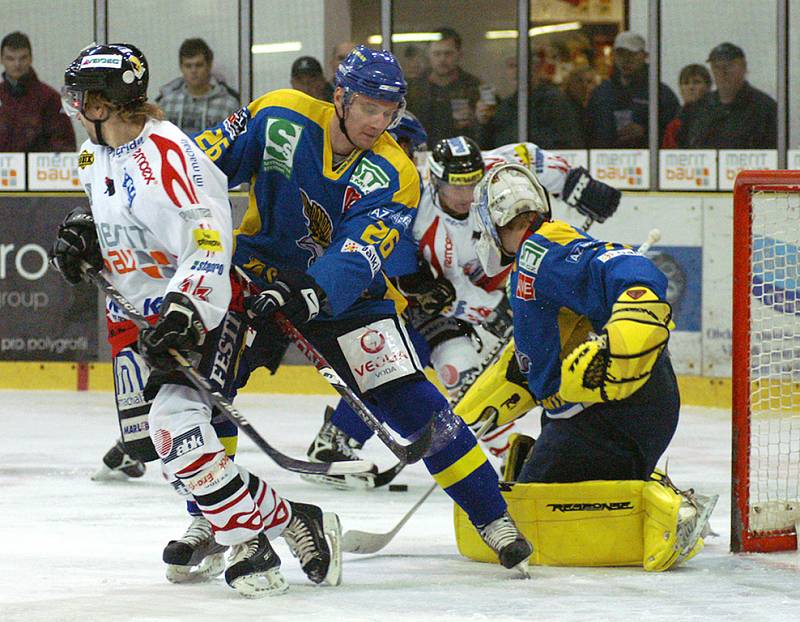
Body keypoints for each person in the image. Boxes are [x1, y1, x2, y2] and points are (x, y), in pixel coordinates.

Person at [193, 44, 533, 575]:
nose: (379, 121)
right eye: (369, 107)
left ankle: (493, 516)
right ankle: (212, 516)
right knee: (208, 392)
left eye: (389, 110)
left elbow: (358, 252)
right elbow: (193, 168)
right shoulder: (277, 114)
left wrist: (310, 290)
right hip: (256, 279)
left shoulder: (397, 172)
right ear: (341, 98)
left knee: (418, 406)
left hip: (349, 302)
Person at [51, 43, 341, 598]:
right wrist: (86, 232)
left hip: (206, 308)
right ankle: (288, 519)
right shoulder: (93, 156)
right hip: (140, 315)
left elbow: (209, 239)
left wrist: (186, 306)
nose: (75, 104)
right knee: (159, 443)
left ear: (112, 101)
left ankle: (251, 540)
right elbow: (114, 212)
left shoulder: (170, 157)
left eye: (85, 95)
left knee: (175, 425)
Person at [304, 135, 620, 488]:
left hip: (508, 284)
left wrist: (578, 185)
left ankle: (520, 453)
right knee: (429, 368)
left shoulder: (495, 168)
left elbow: (531, 156)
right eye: (457, 185)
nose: (468, 192)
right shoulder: (418, 212)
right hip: (444, 301)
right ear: (435, 181)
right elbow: (420, 281)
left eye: (472, 181)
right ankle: (338, 438)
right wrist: (478, 306)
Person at [452, 162, 714, 570]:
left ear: (492, 221)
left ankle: (667, 511)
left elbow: (633, 269)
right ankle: (651, 499)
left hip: (616, 410)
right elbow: (531, 357)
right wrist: (468, 417)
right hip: (611, 410)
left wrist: (633, 320)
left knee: (532, 515)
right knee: (536, 490)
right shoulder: (541, 251)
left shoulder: (541, 254)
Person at [586, 31, 679, 148]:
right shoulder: (600, 93)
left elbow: (675, 134)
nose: (626, 59)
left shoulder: (660, 94)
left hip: (648, 162)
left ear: (645, 56)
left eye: (632, 54)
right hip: (603, 163)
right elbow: (588, 131)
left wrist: (646, 132)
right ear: (614, 56)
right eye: (621, 54)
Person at [676, 43, 776, 149]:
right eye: (716, 67)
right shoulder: (699, 108)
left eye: (729, 66)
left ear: (744, 67)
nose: (722, 72)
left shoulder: (764, 108)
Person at [475, 55, 583, 149]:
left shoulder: (554, 101)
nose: (516, 71)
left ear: (535, 68)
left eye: (521, 65)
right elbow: (489, 146)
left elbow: (569, 142)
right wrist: (484, 123)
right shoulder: (505, 106)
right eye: (512, 66)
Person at [0, 31, 75, 152]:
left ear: (30, 58)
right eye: (10, 59)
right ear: (2, 59)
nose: (17, 64)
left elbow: (64, 145)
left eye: (23, 58)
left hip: (39, 169)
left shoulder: (50, 98)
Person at [406, 27, 481, 146]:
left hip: (462, 153)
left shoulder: (474, 88)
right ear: (429, 56)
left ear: (459, 55)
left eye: (448, 53)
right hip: (420, 154)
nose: (442, 59)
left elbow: (488, 130)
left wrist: (477, 120)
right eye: (437, 54)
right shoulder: (413, 89)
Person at [156, 38, 239, 135]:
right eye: (188, 66)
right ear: (181, 67)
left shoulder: (228, 105)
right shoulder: (167, 103)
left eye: (199, 65)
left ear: (209, 65)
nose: (193, 71)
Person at [661, 64, 712, 148]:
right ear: (680, 89)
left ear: (708, 87)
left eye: (696, 82)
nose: (691, 87)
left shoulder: (717, 117)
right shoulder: (674, 124)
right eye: (686, 83)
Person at [562, 66, 597, 148]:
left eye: (589, 82)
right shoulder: (563, 110)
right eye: (579, 81)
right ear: (569, 84)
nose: (584, 86)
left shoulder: (597, 110)